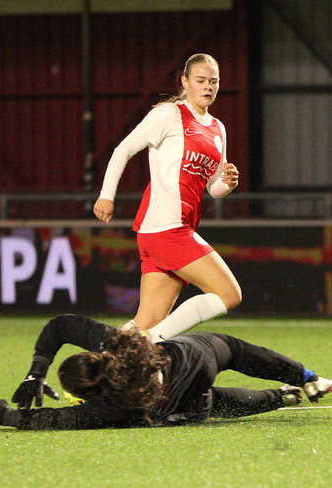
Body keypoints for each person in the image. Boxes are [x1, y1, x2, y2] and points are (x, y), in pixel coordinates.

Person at [0, 314, 332, 430]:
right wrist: (36, 370)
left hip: (181, 403)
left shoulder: (107, 407)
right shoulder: (111, 342)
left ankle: (281, 397)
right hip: (192, 354)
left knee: (209, 404)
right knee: (234, 350)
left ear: (87, 393)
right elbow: (61, 325)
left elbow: (47, 419)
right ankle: (307, 378)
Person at [93, 53, 241, 342]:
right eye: (200, 81)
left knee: (146, 320)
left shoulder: (218, 129)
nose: (208, 87)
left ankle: (92, 373)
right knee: (229, 294)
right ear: (185, 82)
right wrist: (106, 196)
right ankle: (154, 341)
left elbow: (212, 187)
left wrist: (228, 184)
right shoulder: (169, 114)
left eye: (214, 81)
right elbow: (123, 149)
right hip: (166, 229)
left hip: (165, 231)